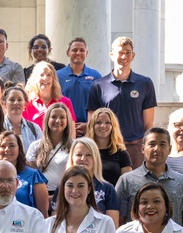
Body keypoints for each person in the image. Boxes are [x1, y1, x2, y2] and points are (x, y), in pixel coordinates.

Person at [86, 37, 157, 169]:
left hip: (135, 148)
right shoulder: (98, 85)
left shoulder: (145, 83)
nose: (124, 56)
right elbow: (92, 123)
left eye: (128, 52)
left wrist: (148, 148)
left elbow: (148, 124)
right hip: (108, 149)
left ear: (133, 55)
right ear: (112, 55)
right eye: (120, 52)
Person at [115, 127, 183, 233]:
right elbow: (118, 219)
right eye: (152, 144)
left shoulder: (182, 182)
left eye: (162, 144)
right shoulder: (127, 180)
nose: (157, 149)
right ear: (142, 148)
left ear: (169, 149)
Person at [0, 131, 49, 216]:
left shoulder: (34, 176)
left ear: (19, 149)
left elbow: (43, 214)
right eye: (3, 146)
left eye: (12, 145)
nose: (7, 149)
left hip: (22, 227)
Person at [27, 102, 74, 195]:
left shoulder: (75, 145)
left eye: (62, 117)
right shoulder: (35, 146)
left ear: (67, 120)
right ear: (47, 119)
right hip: (40, 194)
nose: (57, 121)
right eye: (53, 117)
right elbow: (29, 173)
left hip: (65, 194)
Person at [57, 37, 102, 136]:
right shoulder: (58, 76)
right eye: (74, 50)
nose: (78, 53)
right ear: (68, 52)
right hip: (64, 129)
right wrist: (68, 126)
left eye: (82, 50)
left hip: (89, 130)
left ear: (87, 53)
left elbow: (100, 105)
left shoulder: (95, 76)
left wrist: (89, 125)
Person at [86, 107, 133, 186]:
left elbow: (127, 186)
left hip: (114, 197)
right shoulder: (85, 151)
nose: (103, 126)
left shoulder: (122, 153)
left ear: (113, 126)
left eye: (108, 122)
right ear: (92, 126)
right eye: (98, 122)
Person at [23, 61, 76, 127]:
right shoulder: (27, 103)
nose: (45, 78)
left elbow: (71, 133)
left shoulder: (65, 102)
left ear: (53, 79)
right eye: (41, 75)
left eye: (49, 75)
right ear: (35, 78)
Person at [2, 84, 43, 151]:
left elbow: (41, 152)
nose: (16, 103)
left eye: (19, 100)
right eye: (12, 100)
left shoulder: (34, 128)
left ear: (25, 104)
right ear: (4, 103)